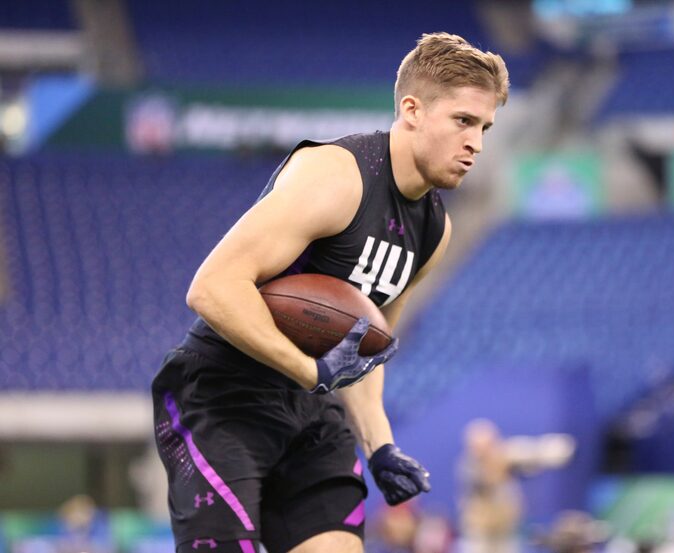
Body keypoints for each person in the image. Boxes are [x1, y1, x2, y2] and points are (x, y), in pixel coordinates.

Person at [151, 33, 510, 553]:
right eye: (463, 120)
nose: (476, 142)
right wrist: (310, 371)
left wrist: (380, 444)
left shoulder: (435, 231)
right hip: (220, 397)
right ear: (411, 110)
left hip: (310, 412)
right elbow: (212, 289)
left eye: (484, 127)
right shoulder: (336, 176)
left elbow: (364, 346)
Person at [457, 419, 575, 553]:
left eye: (489, 443)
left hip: (506, 528)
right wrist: (497, 470)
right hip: (479, 531)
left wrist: (549, 450)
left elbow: (527, 453)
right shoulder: (468, 466)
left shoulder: (504, 454)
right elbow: (481, 485)